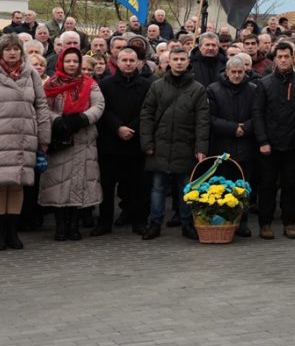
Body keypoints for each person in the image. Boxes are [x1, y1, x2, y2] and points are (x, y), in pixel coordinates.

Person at [0, 34, 51, 250]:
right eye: (8, 49)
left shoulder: (31, 74)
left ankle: (13, 234)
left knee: (16, 185)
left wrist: (44, 137)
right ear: (0, 52)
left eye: (16, 48)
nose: (12, 52)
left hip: (23, 137)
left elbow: (42, 107)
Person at [139, 46, 209, 240]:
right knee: (158, 187)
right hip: (159, 145)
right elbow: (146, 115)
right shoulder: (157, 86)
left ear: (188, 62)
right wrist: (147, 142)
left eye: (182, 59)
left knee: (186, 188)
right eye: (175, 59)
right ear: (168, 62)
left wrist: (201, 148)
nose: (179, 62)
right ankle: (154, 223)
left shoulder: (198, 89)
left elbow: (202, 121)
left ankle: (187, 224)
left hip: (185, 145)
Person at [38, 47, 105, 241]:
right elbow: (43, 107)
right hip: (60, 140)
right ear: (61, 62)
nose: (72, 65)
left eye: (75, 61)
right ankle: (60, 227)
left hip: (83, 139)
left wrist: (83, 118)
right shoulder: (51, 83)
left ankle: (74, 226)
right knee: (58, 184)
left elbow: (99, 105)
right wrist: (57, 120)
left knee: (79, 182)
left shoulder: (89, 84)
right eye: (68, 61)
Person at [253, 42, 295, 240]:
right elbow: (258, 113)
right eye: (280, 57)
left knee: (291, 185)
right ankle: (265, 223)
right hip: (269, 144)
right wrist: (262, 140)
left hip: (293, 143)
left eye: (287, 56)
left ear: (293, 58)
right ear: (275, 59)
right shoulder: (264, 83)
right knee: (267, 185)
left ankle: (289, 222)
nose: (284, 60)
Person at [95, 47, 153, 236]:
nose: (128, 64)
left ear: (138, 62)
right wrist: (118, 127)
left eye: (131, 60)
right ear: (117, 62)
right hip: (111, 143)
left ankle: (139, 222)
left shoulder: (147, 85)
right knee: (107, 185)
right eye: (124, 60)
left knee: (138, 187)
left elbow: (147, 111)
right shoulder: (105, 84)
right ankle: (104, 223)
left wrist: (131, 128)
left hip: (135, 144)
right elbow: (103, 110)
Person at [207, 55, 258, 238]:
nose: (237, 76)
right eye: (233, 72)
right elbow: (210, 118)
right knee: (222, 186)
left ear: (245, 72)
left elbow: (258, 114)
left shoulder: (253, 89)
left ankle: (241, 222)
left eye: (240, 72)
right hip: (223, 147)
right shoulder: (213, 90)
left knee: (243, 188)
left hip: (246, 147)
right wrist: (232, 128)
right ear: (227, 72)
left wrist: (245, 128)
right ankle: (223, 221)